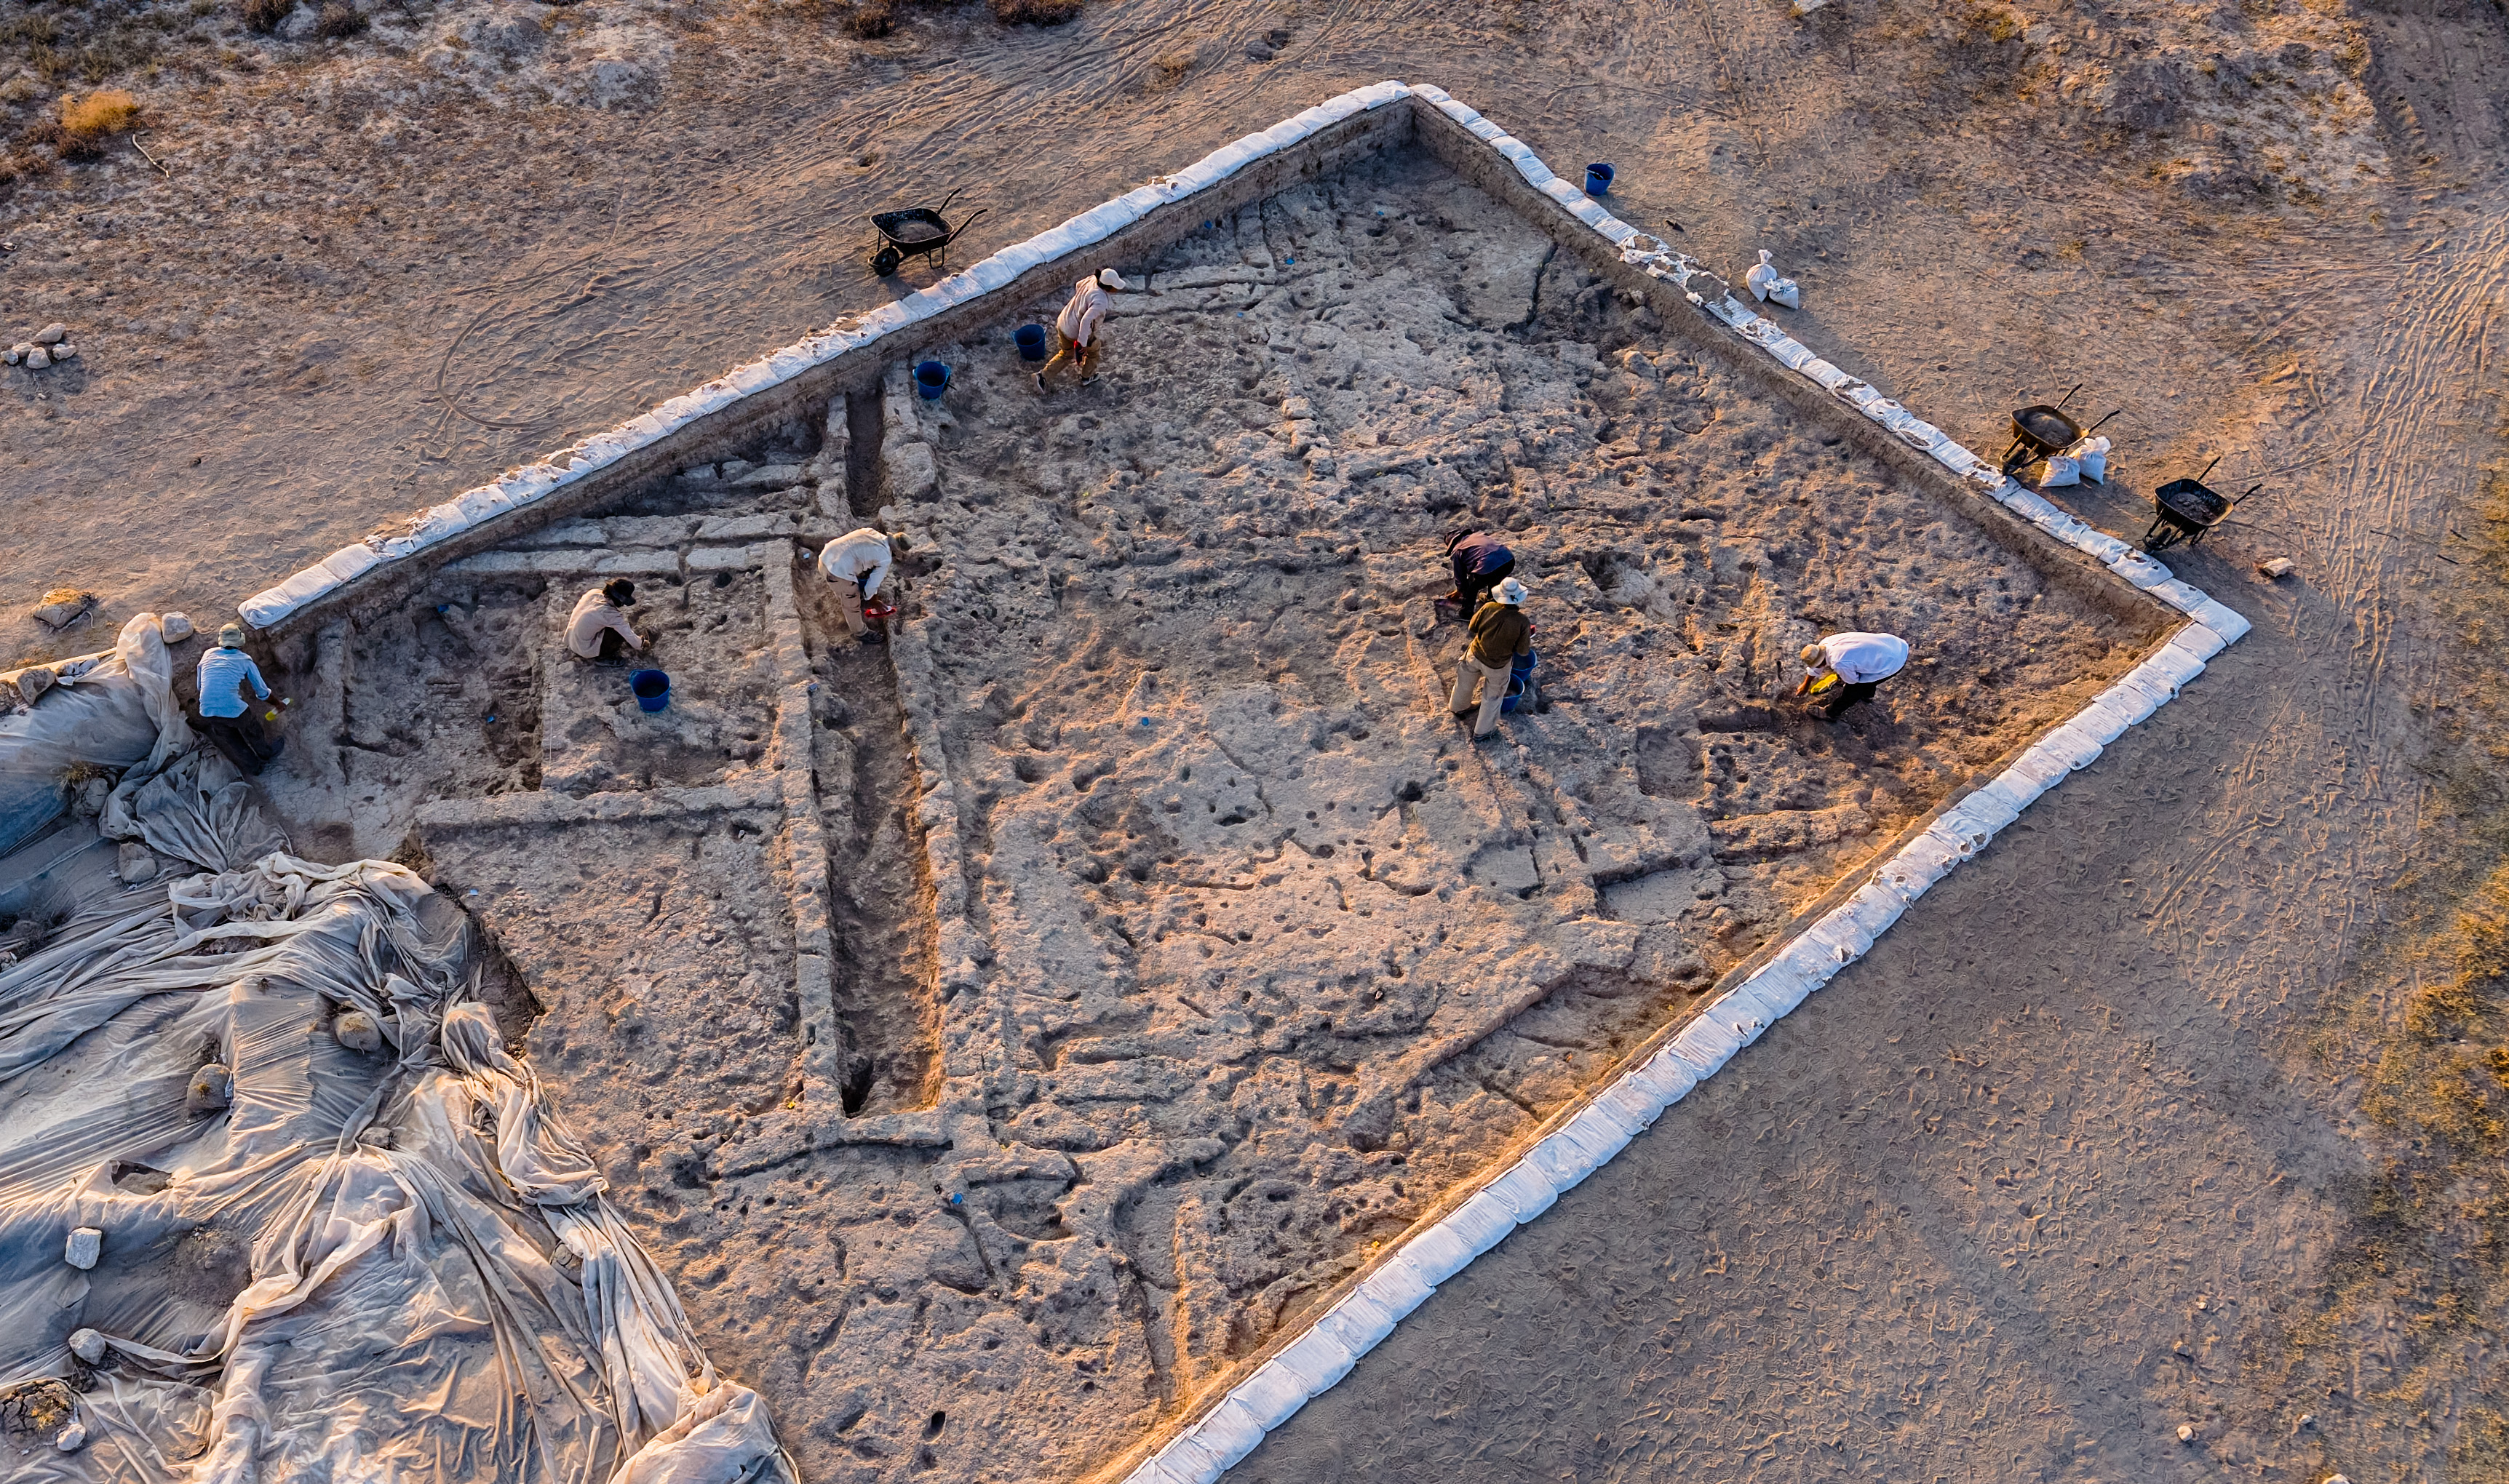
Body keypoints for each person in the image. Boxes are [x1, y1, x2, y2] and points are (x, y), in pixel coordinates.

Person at [1450, 578, 1535, 738]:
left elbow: (1472, 627)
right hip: (1498, 666)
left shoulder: (1488, 607)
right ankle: (1483, 731)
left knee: (1464, 683)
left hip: (1475, 654)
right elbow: (1523, 652)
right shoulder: (1522, 621)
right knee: (1493, 697)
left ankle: (1458, 707)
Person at [195, 624, 283, 775]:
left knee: (233, 741)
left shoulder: (208, 654)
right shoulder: (245, 660)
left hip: (208, 710)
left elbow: (199, 686)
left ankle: (254, 768)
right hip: (235, 710)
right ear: (240, 642)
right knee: (252, 730)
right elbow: (262, 692)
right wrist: (277, 703)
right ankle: (265, 753)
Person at [1035, 268, 1129, 391]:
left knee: (1066, 354)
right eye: (1115, 287)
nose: (1116, 289)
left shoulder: (1093, 280)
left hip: (1064, 322)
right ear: (1108, 287)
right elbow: (1085, 321)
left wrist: (1080, 304)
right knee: (1094, 350)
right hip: (1076, 330)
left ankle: (1042, 377)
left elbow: (1079, 284)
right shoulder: (1100, 301)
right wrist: (1081, 344)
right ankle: (1087, 377)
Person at [1796, 631, 1909, 720]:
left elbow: (1852, 681)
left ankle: (1830, 713)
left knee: (1853, 691)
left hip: (1893, 663)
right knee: (1868, 674)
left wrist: (1843, 675)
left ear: (1820, 661)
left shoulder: (1839, 662)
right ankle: (1867, 695)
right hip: (1894, 645)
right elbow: (1817, 668)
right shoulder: (1826, 643)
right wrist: (1806, 684)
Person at [818, 527, 898, 643]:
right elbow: (872, 585)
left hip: (825, 557)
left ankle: (843, 592)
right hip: (836, 572)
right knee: (852, 603)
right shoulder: (885, 557)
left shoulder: (872, 532)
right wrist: (874, 602)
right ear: (895, 552)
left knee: (854, 582)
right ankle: (861, 633)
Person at [566, 580, 644, 663]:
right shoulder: (609, 614)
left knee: (609, 624)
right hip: (584, 649)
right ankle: (604, 657)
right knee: (618, 633)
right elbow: (627, 633)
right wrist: (641, 643)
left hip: (571, 640)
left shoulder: (593, 593)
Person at [1444, 530, 1515, 617]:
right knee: (1496, 576)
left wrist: (1460, 590)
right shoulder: (1479, 535)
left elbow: (1460, 577)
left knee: (1471, 587)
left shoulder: (1457, 551)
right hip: (1509, 560)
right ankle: (1491, 598)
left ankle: (1466, 613)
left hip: (1488, 565)